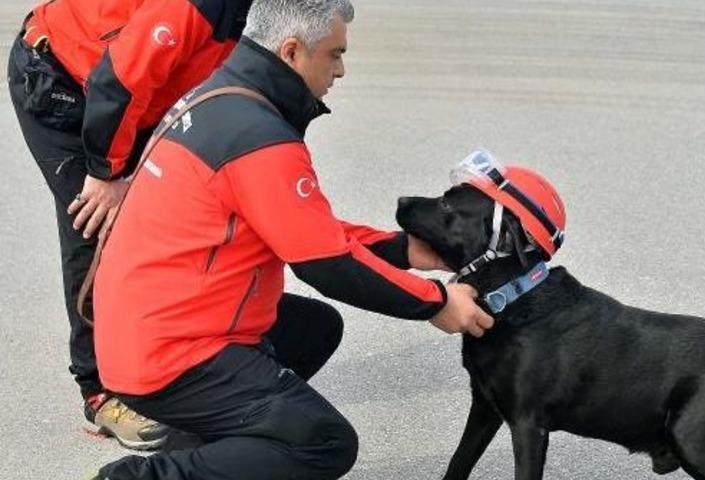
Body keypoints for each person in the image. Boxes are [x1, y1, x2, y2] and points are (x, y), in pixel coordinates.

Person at [87, 0, 494, 478]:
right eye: (335, 54)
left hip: (139, 328)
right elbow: (325, 264)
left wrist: (402, 249)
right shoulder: (259, 138)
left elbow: (303, 227)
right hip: (166, 354)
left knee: (314, 329)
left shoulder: (221, 97)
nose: (341, 71)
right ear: (292, 51)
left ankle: (194, 449)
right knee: (324, 442)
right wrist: (436, 302)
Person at [7, 0, 255, 449]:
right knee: (96, 228)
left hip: (133, 89)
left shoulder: (270, 11)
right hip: (60, 78)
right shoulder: (196, 5)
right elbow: (118, 80)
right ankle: (99, 390)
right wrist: (106, 174)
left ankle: (163, 360)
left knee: (164, 221)